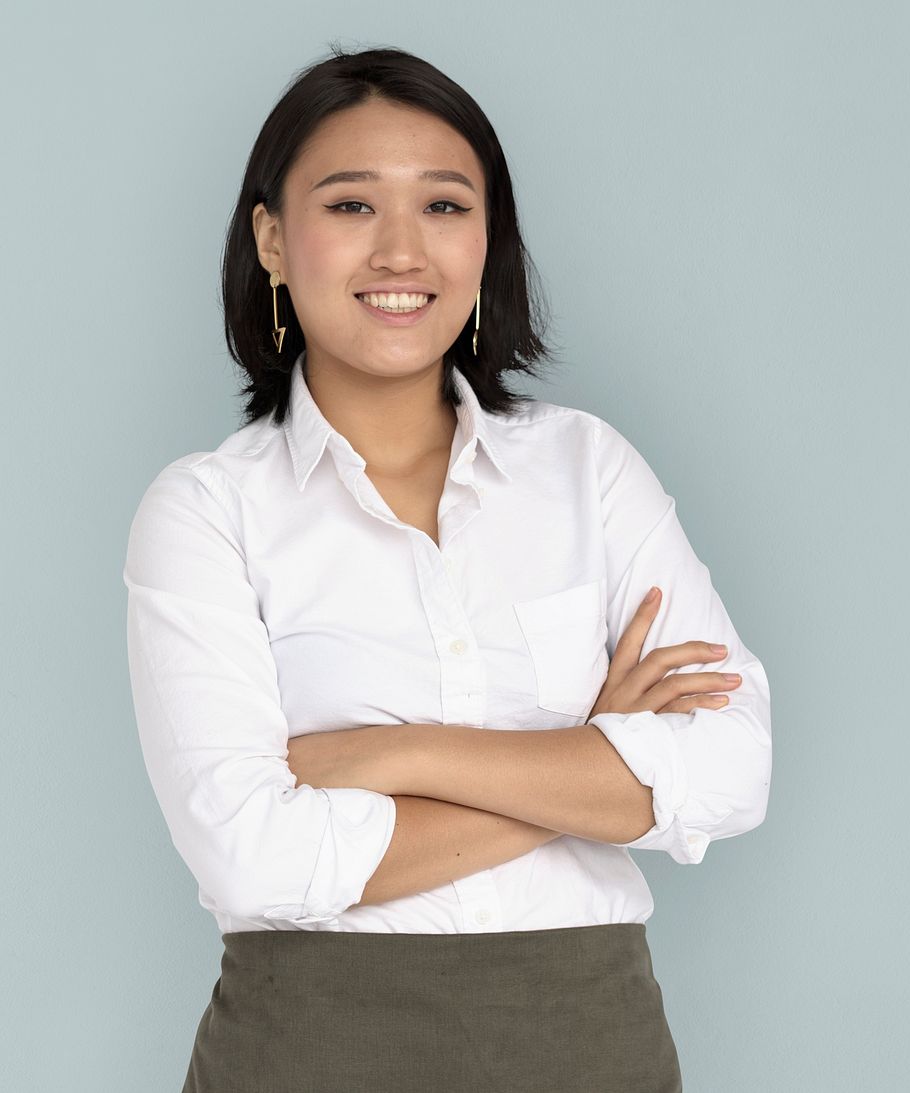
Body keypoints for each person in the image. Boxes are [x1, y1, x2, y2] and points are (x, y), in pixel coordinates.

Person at [123, 44, 772, 1093]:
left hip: (591, 1045)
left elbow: (731, 767)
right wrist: (583, 768)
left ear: (487, 242)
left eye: (443, 206)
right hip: (307, 1052)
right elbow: (253, 854)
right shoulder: (208, 511)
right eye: (348, 206)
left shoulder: (585, 469)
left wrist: (388, 753)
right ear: (272, 241)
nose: (399, 251)